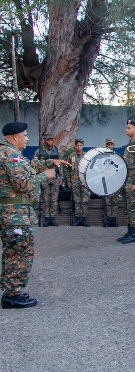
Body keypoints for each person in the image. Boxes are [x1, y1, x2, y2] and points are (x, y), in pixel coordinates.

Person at [0, 122, 68, 308]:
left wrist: (49, 162)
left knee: (13, 251)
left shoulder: (11, 154)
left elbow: (28, 168)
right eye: (25, 135)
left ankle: (10, 290)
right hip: (15, 215)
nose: (27, 139)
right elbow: (23, 184)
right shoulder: (10, 155)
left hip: (15, 215)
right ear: (15, 137)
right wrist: (45, 175)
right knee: (19, 253)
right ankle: (12, 295)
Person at [117, 119, 135, 244]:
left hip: (133, 182)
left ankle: (133, 233)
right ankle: (129, 231)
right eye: (126, 127)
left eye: (129, 128)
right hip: (126, 181)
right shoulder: (130, 144)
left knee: (133, 208)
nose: (126, 130)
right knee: (127, 208)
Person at [33, 133, 61, 226]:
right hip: (44, 177)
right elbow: (34, 164)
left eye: (51, 140)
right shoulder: (39, 151)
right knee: (45, 198)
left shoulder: (56, 151)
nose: (49, 141)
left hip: (55, 177)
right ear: (45, 140)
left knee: (54, 199)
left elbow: (61, 165)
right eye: (48, 140)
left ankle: (52, 217)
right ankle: (46, 217)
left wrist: (61, 177)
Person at [67, 139, 91, 227]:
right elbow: (67, 168)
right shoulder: (71, 156)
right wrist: (68, 180)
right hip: (74, 180)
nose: (79, 147)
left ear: (83, 146)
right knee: (77, 200)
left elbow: (90, 168)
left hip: (84, 181)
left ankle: (84, 218)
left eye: (80, 145)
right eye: (77, 145)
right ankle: (77, 218)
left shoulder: (86, 156)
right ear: (75, 146)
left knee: (84, 200)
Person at [103, 138, 119, 227]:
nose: (110, 146)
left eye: (111, 144)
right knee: (108, 201)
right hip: (106, 181)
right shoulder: (102, 156)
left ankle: (114, 219)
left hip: (115, 181)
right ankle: (109, 219)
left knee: (115, 201)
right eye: (108, 144)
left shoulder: (116, 155)